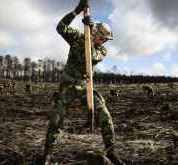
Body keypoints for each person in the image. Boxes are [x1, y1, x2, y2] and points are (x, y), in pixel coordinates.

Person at [41, 0, 125, 164]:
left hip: (86, 86)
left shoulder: (102, 50)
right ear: (96, 33)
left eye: (106, 39)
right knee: (56, 120)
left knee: (106, 116)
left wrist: (90, 36)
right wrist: (76, 12)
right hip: (67, 86)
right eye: (102, 38)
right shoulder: (77, 38)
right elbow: (60, 27)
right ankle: (47, 154)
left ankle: (111, 151)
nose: (104, 41)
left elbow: (91, 57)